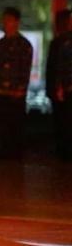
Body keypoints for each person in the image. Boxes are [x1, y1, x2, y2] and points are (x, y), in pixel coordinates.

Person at [0, 7, 32, 159]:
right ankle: (4, 152)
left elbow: (25, 68)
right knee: (2, 123)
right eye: (5, 20)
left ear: (16, 22)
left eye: (9, 20)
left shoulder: (24, 45)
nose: (6, 23)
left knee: (15, 124)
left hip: (15, 92)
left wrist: (21, 88)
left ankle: (16, 154)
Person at [45, 9, 71, 160]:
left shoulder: (61, 42)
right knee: (61, 121)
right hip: (59, 89)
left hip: (63, 89)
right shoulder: (58, 42)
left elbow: (60, 67)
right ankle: (62, 151)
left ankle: (64, 151)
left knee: (64, 122)